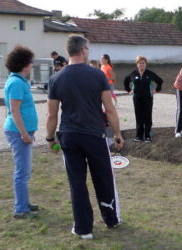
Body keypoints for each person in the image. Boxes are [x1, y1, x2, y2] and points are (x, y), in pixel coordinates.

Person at [46, 35, 124, 239]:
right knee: (104, 178)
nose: (88, 52)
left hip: (69, 137)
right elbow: (109, 109)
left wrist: (49, 139)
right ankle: (111, 219)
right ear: (82, 50)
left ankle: (83, 229)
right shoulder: (97, 75)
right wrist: (117, 134)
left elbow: (52, 114)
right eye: (88, 49)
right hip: (94, 135)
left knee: (77, 183)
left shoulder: (56, 78)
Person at [4, 46, 39, 218]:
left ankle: (24, 202)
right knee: (22, 172)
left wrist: (29, 131)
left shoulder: (18, 81)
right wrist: (24, 134)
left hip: (23, 132)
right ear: (24, 64)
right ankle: (21, 209)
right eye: (31, 62)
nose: (32, 66)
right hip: (18, 133)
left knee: (24, 171)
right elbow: (15, 111)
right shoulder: (16, 83)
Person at [123, 56, 163, 143]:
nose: (142, 64)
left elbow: (160, 80)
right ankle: (139, 136)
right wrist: (129, 90)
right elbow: (126, 80)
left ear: (146, 64)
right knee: (139, 117)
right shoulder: (133, 74)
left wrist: (157, 90)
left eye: (143, 63)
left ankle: (148, 136)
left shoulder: (150, 73)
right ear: (137, 64)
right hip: (137, 98)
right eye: (140, 63)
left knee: (147, 117)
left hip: (148, 98)